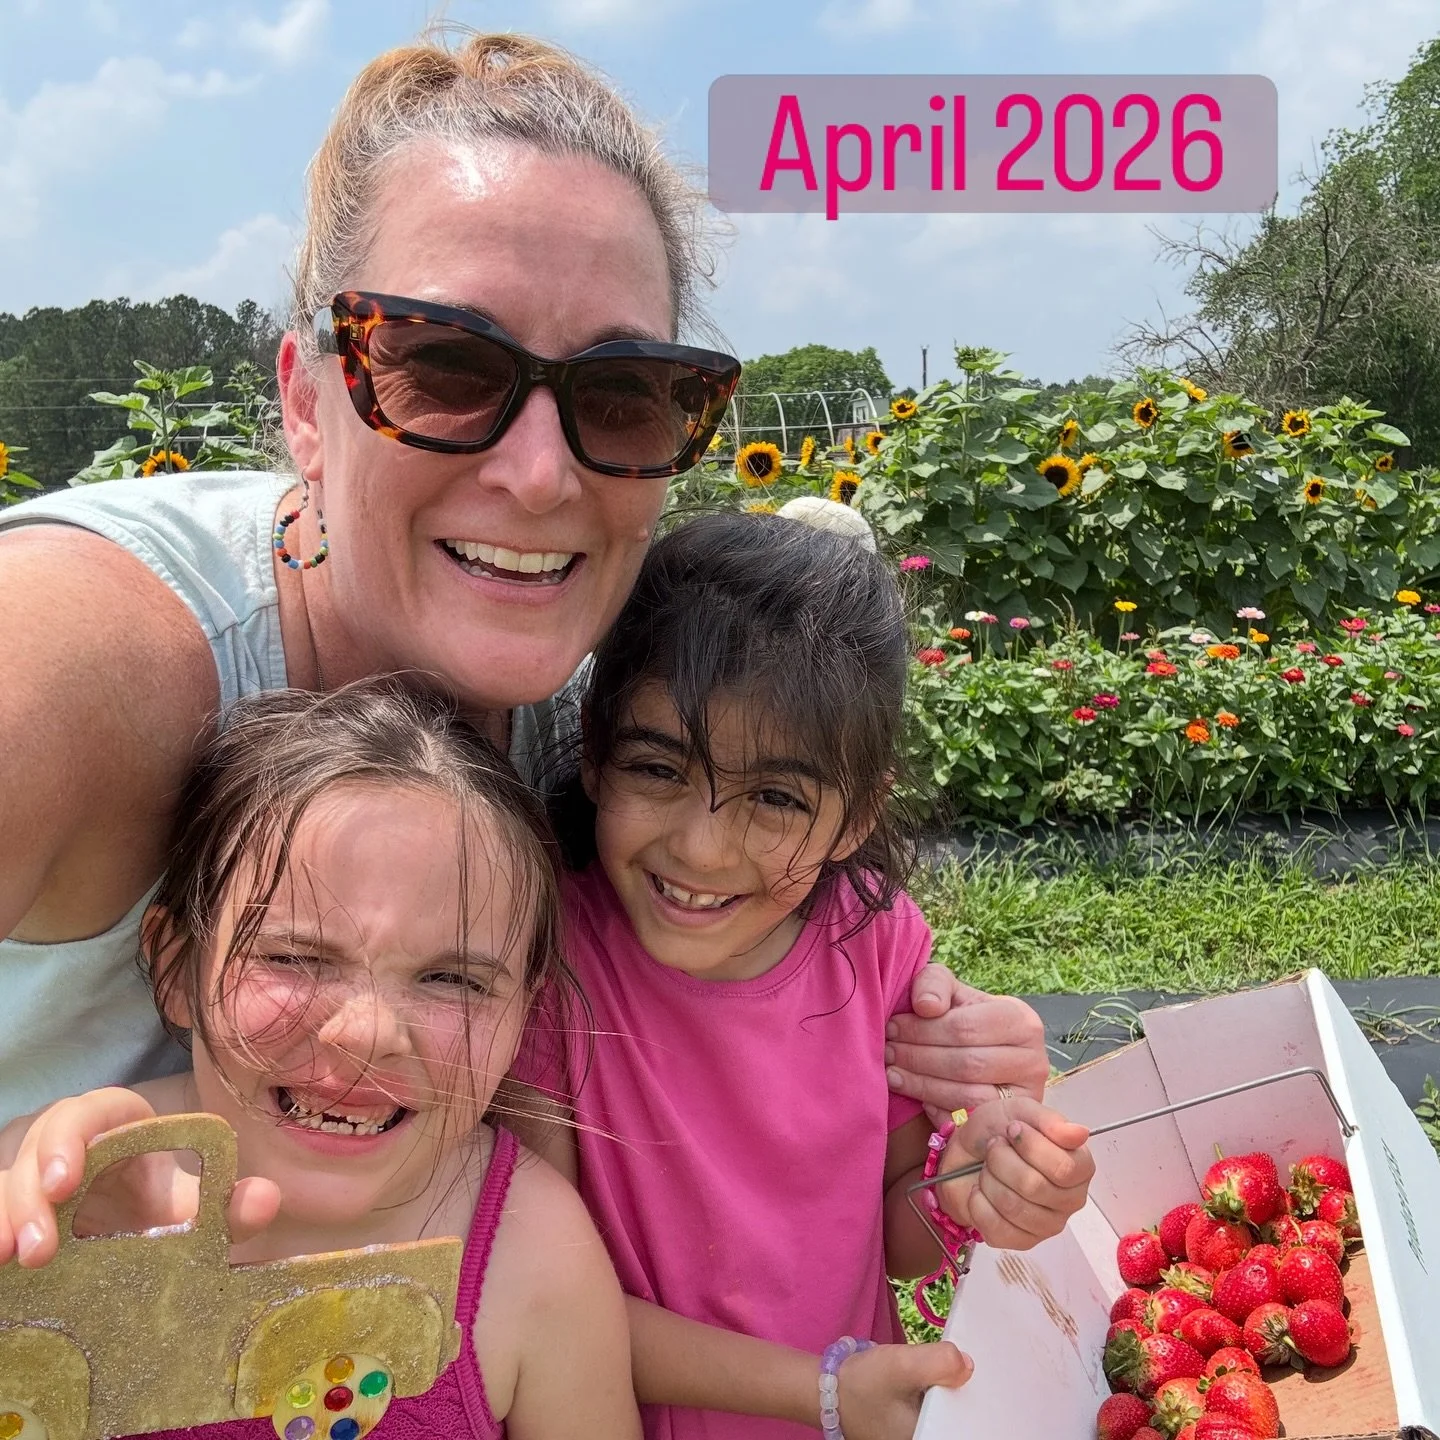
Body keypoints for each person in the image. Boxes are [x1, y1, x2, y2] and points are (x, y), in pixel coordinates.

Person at [0, 27, 1047, 1126]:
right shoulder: (82, 658)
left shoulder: (592, 727)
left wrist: (940, 1044)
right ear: (309, 404)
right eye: (445, 363)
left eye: (626, 390)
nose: (543, 474)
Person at [536, 509, 1096, 1440]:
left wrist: (962, 1188)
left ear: (855, 816)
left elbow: (897, 1233)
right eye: (658, 767)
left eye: (777, 798)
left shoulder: (875, 947)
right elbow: (539, 1302)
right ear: (594, 749)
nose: (703, 847)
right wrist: (826, 1391)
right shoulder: (545, 968)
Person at [0, 678, 640, 1440]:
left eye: (453, 979)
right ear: (176, 970)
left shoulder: (535, 1259)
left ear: (524, 1015)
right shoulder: (41, 1191)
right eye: (296, 957)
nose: (368, 1033)